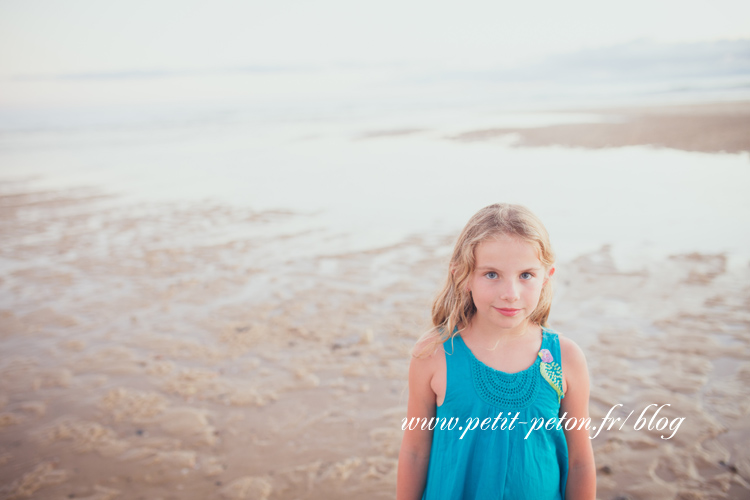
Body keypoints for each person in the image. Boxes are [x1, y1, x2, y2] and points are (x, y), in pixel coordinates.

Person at [397, 203, 596, 500]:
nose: (510, 293)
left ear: (546, 276)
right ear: (463, 276)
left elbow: (580, 461)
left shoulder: (563, 358)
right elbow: (414, 452)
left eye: (526, 275)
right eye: (492, 274)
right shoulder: (434, 354)